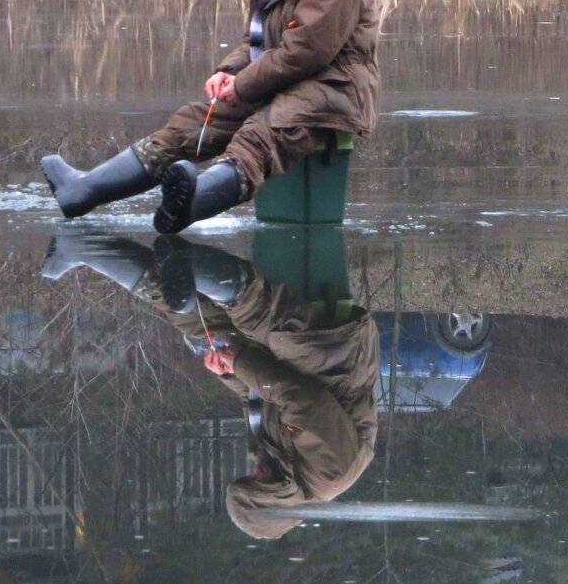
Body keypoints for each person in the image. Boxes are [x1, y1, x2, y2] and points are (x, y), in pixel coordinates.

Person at [41, 0, 381, 233]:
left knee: (262, 133)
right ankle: (83, 191)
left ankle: (191, 205)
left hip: (332, 91)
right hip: (282, 80)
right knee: (193, 122)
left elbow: (305, 54)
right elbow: (255, 39)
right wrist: (229, 71)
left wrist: (244, 84)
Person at [40, 231, 379, 540]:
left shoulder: (276, 462)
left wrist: (227, 371)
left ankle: (84, 247)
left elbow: (257, 400)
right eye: (256, 481)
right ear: (274, 497)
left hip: (285, 372)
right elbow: (306, 400)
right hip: (335, 360)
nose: (255, 470)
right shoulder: (330, 475)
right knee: (268, 323)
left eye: (248, 477)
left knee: (188, 317)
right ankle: (187, 262)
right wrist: (241, 362)